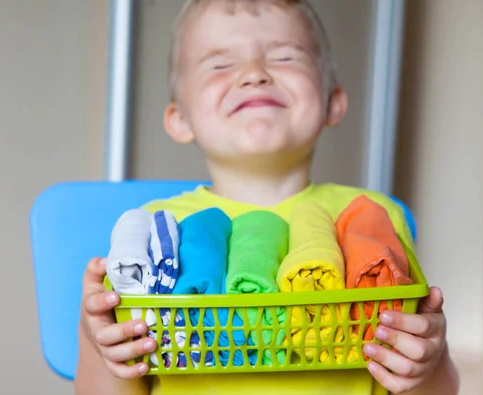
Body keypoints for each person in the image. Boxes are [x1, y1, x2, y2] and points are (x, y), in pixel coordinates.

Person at [75, 1, 460, 394]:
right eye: (220, 64)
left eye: (284, 56)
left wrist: (429, 365)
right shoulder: (154, 234)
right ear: (180, 119)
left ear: (333, 102)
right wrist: (98, 342)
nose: (254, 74)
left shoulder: (373, 218)